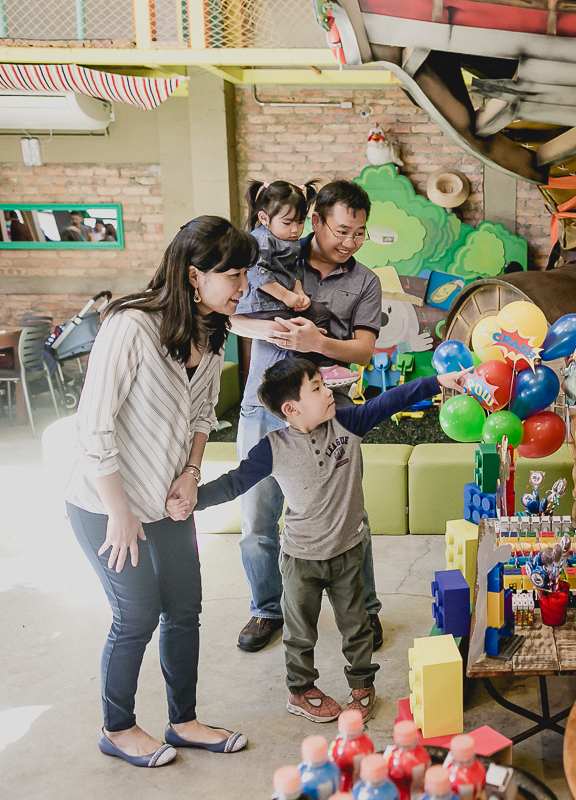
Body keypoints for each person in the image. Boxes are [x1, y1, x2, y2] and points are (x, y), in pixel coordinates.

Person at [172, 359, 468, 722]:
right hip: (300, 559)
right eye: (317, 388)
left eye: (324, 384)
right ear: (291, 409)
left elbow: (390, 400)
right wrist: (193, 501)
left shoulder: (347, 423)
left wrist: (437, 381)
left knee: (357, 626)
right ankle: (300, 689)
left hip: (348, 552)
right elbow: (234, 483)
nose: (329, 391)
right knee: (299, 632)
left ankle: (362, 684)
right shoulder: (272, 447)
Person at [66, 215, 256, 768]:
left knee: (184, 609)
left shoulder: (213, 329)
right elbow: (93, 427)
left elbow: (201, 414)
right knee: (137, 614)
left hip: (168, 500)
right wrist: (119, 513)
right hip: (105, 502)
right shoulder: (131, 325)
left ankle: (184, 721)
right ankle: (117, 727)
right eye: (235, 275)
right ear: (195, 275)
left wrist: (192, 474)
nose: (243, 286)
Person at [229, 180, 384, 654]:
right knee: (258, 517)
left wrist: (316, 342)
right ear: (314, 221)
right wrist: (277, 330)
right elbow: (230, 317)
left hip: (327, 412)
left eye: (359, 234)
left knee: (348, 519)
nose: (350, 242)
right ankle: (265, 610)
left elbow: (362, 351)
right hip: (264, 410)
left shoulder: (365, 282)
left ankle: (365, 611)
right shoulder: (273, 252)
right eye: (341, 230)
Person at [238, 180, 332, 342]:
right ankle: (302, 362)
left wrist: (299, 294)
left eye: (301, 221)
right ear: (264, 218)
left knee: (320, 313)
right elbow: (258, 274)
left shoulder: (289, 239)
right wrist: (286, 296)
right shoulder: (262, 240)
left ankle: (322, 363)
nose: (295, 229)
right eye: (287, 222)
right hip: (262, 304)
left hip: (281, 302)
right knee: (294, 330)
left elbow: (294, 269)